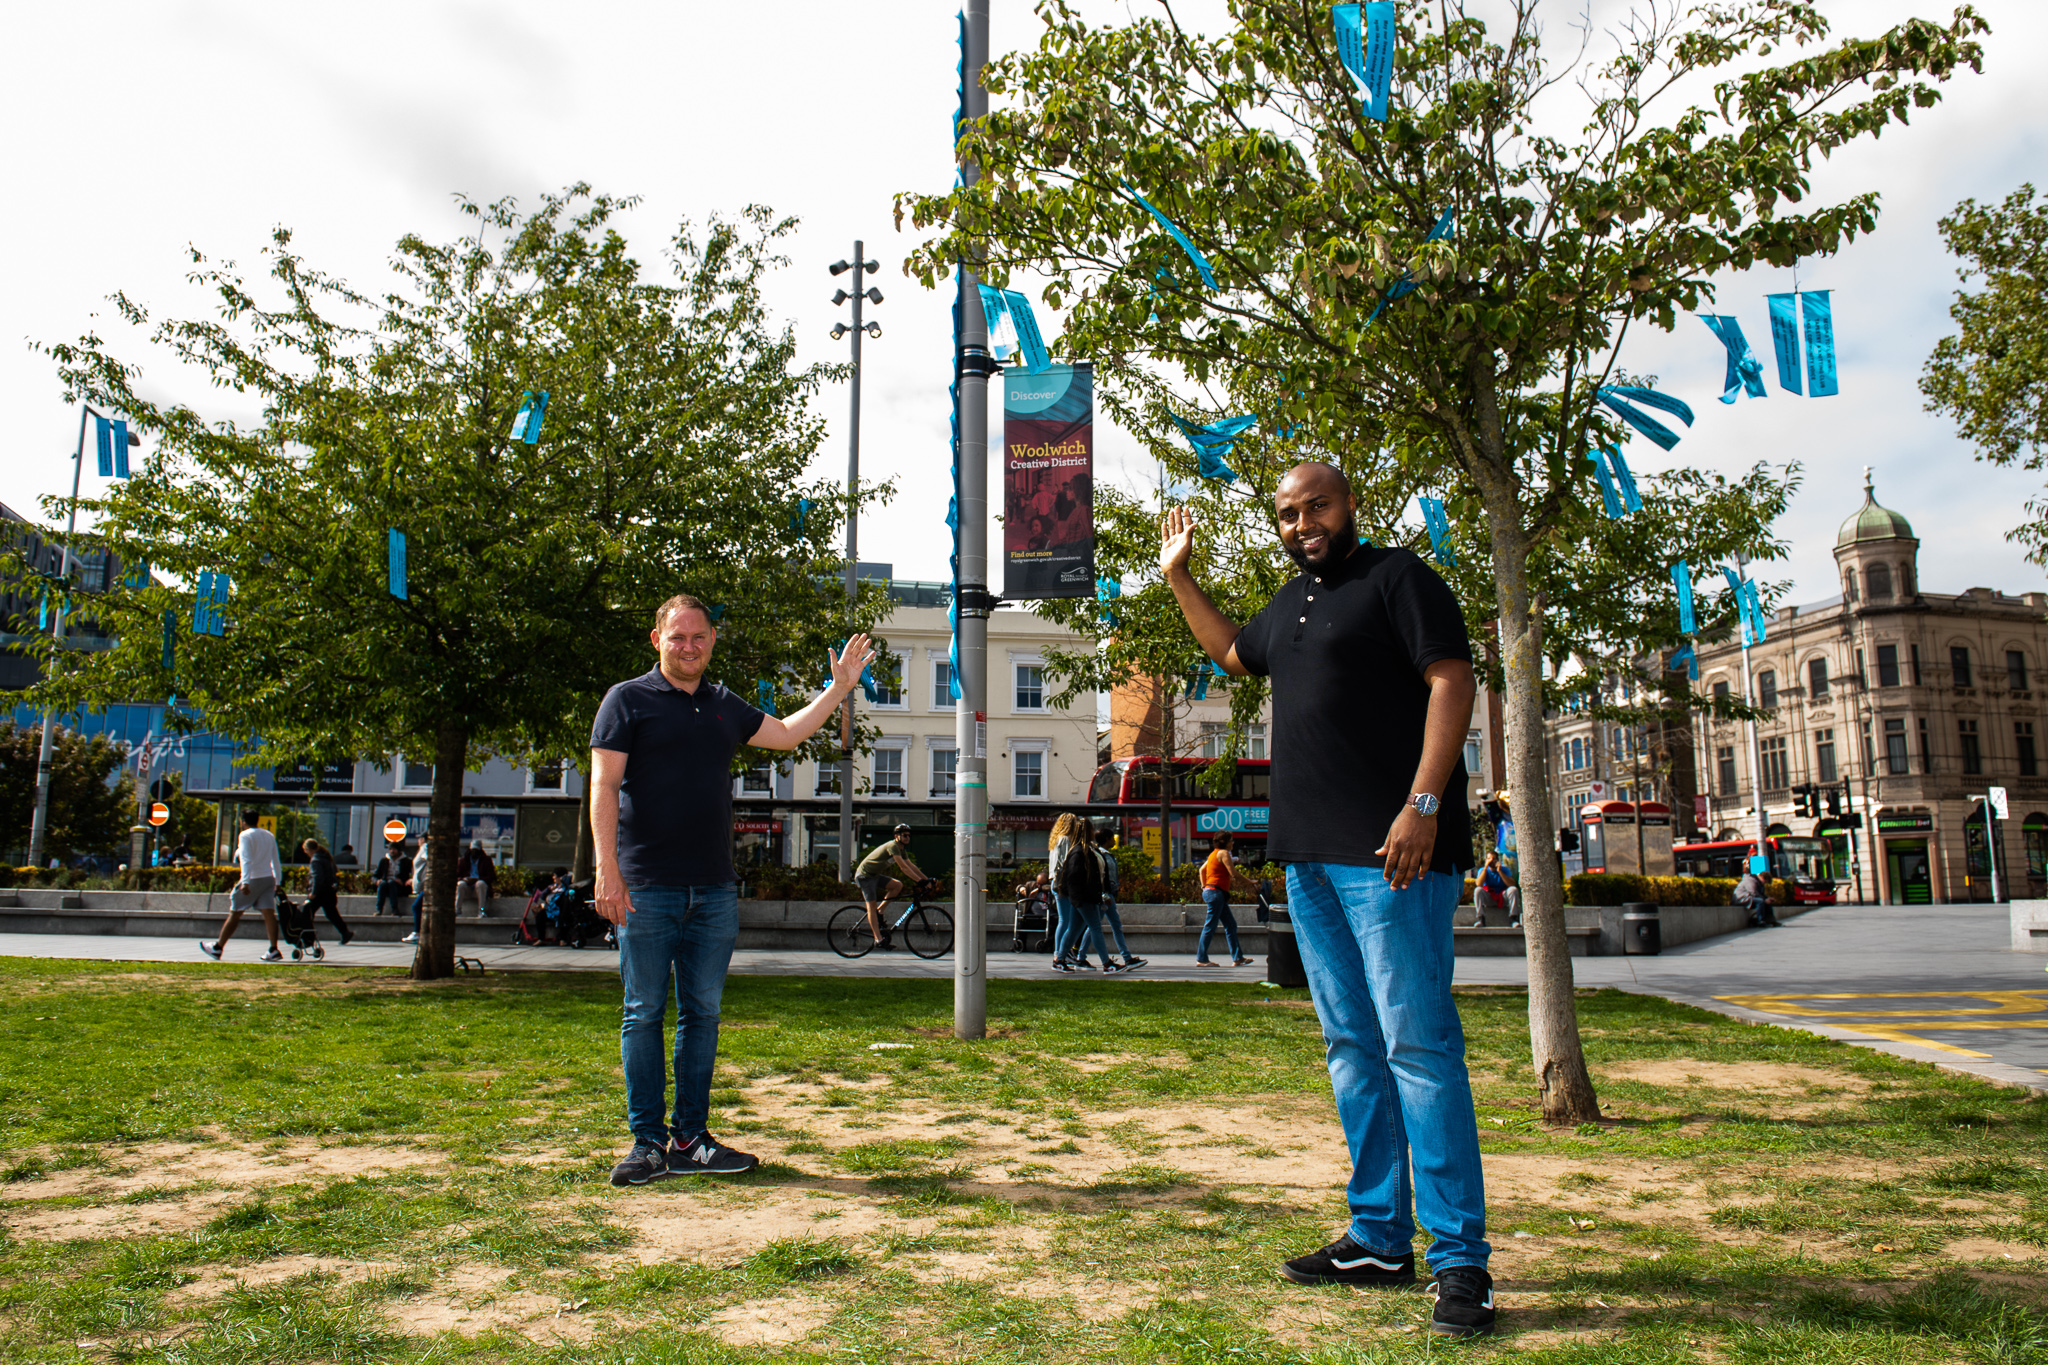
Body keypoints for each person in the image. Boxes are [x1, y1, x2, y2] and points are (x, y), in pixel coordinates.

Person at [1160, 461, 1494, 1337]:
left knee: (1417, 1045)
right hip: (1307, 860)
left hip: (1392, 856)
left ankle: (1461, 1260)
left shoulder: (1401, 579)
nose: (1302, 521)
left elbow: (1453, 683)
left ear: (1350, 507)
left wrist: (1423, 804)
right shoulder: (1291, 602)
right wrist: (1179, 575)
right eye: (1286, 512)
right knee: (1353, 1047)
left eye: (1317, 505)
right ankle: (1380, 1237)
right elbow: (1231, 652)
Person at [591, 592, 874, 1187]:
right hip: (644, 887)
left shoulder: (724, 705)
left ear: (712, 641)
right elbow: (604, 786)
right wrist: (606, 872)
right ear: (657, 640)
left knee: (704, 1014)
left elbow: (789, 734)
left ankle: (691, 1138)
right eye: (677, 637)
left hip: (714, 890)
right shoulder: (626, 700)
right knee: (642, 1013)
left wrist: (839, 688)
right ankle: (646, 1144)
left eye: (698, 637)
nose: (688, 647)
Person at [200, 810, 284, 962]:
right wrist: (277, 881)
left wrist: (245, 882)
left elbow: (246, 859)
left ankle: (218, 947)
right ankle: (273, 949)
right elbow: (275, 860)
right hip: (268, 878)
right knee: (269, 914)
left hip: (253, 878)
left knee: (235, 912)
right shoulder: (269, 835)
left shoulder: (245, 836)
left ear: (242, 821)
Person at [1052, 815, 1118, 972]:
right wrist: (1077, 900)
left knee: (1074, 929)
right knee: (1095, 927)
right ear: (1086, 832)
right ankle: (1107, 964)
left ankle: (1060, 959)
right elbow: (1074, 879)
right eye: (1091, 829)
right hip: (1084, 899)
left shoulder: (1087, 851)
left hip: (1085, 898)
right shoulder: (1079, 853)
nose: (1094, 832)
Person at [854, 824, 929, 949]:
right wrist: (919, 881)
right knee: (871, 907)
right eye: (904, 835)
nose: (907, 837)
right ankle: (878, 939)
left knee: (897, 885)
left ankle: (881, 910)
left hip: (875, 875)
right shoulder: (893, 846)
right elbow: (903, 867)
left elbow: (911, 866)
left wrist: (927, 880)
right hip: (865, 876)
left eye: (909, 835)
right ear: (896, 836)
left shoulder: (901, 849)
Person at [1082, 821, 1144, 971]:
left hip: (1109, 894)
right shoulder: (1100, 854)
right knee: (1096, 925)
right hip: (1105, 895)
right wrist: (1104, 894)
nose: (1115, 839)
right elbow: (1101, 876)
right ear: (1107, 839)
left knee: (1105, 925)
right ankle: (1081, 956)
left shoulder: (1106, 854)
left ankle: (1126, 956)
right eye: (1112, 837)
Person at [1195, 833, 1253, 967]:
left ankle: (1238, 958)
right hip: (1216, 893)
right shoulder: (1224, 853)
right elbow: (1233, 873)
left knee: (1230, 924)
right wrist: (1249, 882)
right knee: (1210, 926)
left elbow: (1202, 870)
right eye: (1231, 841)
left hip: (1213, 892)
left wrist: (1204, 887)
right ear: (1225, 842)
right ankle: (1201, 959)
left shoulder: (1213, 854)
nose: (1233, 843)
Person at [300, 837, 354, 945]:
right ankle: (345, 932)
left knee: (307, 912)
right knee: (331, 913)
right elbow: (334, 874)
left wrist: (313, 893)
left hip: (320, 892)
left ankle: (309, 937)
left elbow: (317, 878)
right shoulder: (326, 857)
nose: (305, 853)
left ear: (309, 849)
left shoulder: (316, 860)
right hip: (329, 891)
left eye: (305, 850)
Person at [1474, 852, 1521, 927]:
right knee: (1478, 890)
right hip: (1489, 897)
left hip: (1502, 897)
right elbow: (1479, 884)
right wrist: (1486, 867)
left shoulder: (1505, 870)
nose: (1491, 861)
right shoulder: (1482, 870)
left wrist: (1500, 871)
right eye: (1489, 859)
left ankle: (1513, 918)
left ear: (1497, 860)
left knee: (1513, 889)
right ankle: (1481, 919)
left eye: (1494, 859)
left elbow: (1511, 884)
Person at [456, 841, 497, 920]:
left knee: (480, 884)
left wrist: (479, 879)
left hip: (479, 889)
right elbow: (457, 876)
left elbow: (491, 876)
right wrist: (464, 879)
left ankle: (481, 910)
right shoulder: (463, 860)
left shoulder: (486, 860)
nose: (474, 853)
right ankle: (458, 910)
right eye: (473, 850)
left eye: (476, 851)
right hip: (467, 888)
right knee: (460, 884)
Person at [403, 834, 432, 944]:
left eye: (419, 838)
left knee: (416, 907)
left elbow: (430, 860)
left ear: (423, 839)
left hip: (426, 885)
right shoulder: (423, 848)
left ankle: (417, 932)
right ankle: (422, 933)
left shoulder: (425, 847)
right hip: (422, 885)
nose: (418, 840)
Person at [373, 843, 412, 917]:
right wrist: (377, 881)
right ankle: (379, 909)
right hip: (386, 885)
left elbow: (411, 875)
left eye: (394, 849)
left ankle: (395, 910)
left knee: (392, 883)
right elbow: (375, 876)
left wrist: (402, 881)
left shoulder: (406, 861)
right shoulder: (384, 861)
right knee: (383, 884)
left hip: (399, 887)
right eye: (390, 849)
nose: (392, 851)